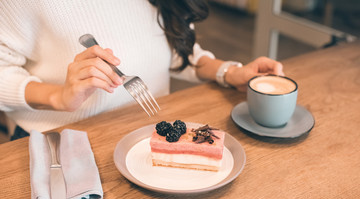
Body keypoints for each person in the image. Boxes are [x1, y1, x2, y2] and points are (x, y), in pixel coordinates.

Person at [0, 0, 284, 140]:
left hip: (148, 135)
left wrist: (228, 72)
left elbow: (177, 48)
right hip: (59, 144)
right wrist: (59, 97)